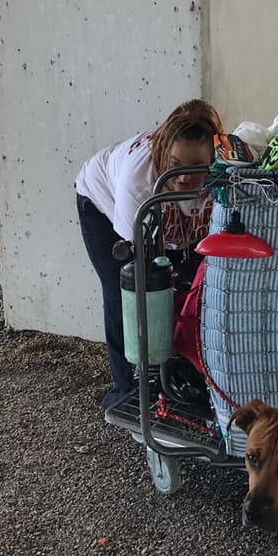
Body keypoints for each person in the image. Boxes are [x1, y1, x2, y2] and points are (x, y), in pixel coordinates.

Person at [75, 99, 223, 409]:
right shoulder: (138, 178)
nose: (185, 177)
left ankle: (182, 379)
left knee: (194, 289)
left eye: (197, 167)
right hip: (101, 202)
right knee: (127, 295)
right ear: (163, 154)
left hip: (172, 217)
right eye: (176, 165)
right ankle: (130, 393)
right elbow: (140, 268)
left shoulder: (224, 167)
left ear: (213, 157)